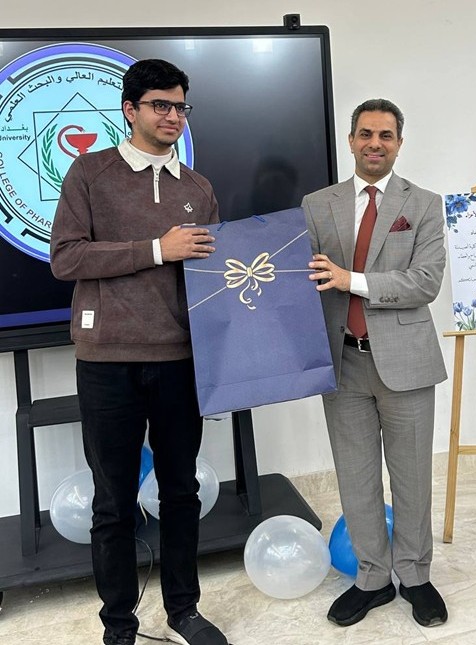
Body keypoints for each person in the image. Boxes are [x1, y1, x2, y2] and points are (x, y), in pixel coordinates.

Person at [50, 59, 228, 645]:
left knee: (181, 492)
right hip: (107, 361)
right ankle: (119, 626)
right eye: (160, 105)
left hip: (180, 361)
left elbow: (214, 281)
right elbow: (66, 259)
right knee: (113, 502)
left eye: (180, 106)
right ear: (130, 110)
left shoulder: (198, 189)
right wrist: (156, 248)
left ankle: (183, 611)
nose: (173, 116)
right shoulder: (90, 173)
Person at [302, 98, 448, 629]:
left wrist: (352, 280)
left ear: (399, 144)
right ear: (350, 140)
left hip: (406, 363)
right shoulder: (317, 205)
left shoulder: (424, 204)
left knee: (412, 477)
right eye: (365, 134)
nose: (375, 143)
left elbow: (425, 283)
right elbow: (298, 278)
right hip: (342, 364)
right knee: (356, 478)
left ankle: (415, 575)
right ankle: (371, 578)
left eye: (386, 135)